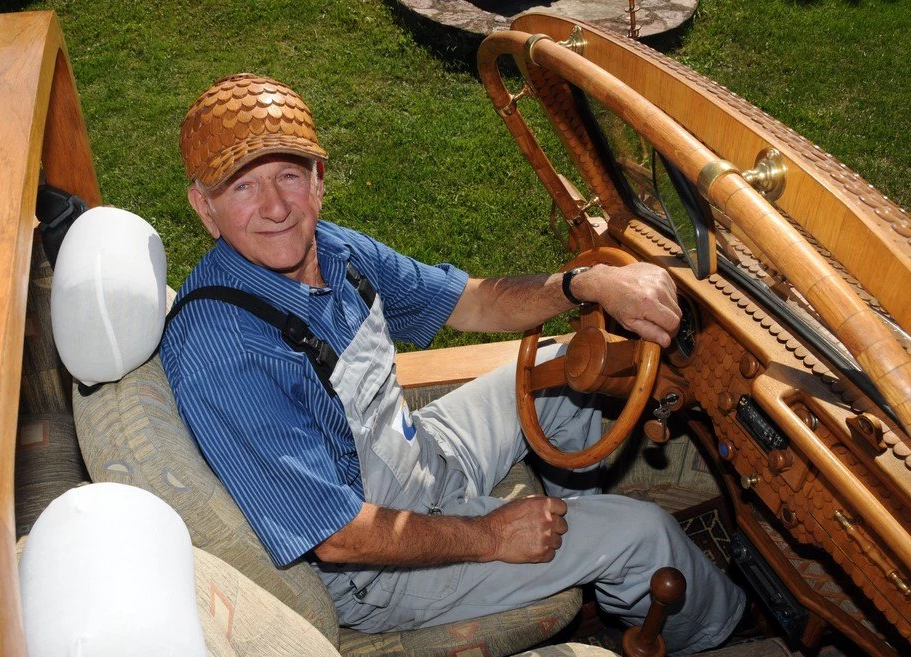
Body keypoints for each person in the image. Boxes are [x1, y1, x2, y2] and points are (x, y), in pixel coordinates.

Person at [161, 73, 745, 655]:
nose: (276, 208)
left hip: (418, 453)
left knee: (566, 367)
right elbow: (337, 535)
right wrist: (493, 534)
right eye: (242, 187)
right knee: (643, 536)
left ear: (318, 180)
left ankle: (586, 535)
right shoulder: (226, 350)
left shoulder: (333, 249)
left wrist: (590, 282)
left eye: (289, 175)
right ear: (204, 208)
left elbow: (474, 300)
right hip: (373, 568)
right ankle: (725, 633)